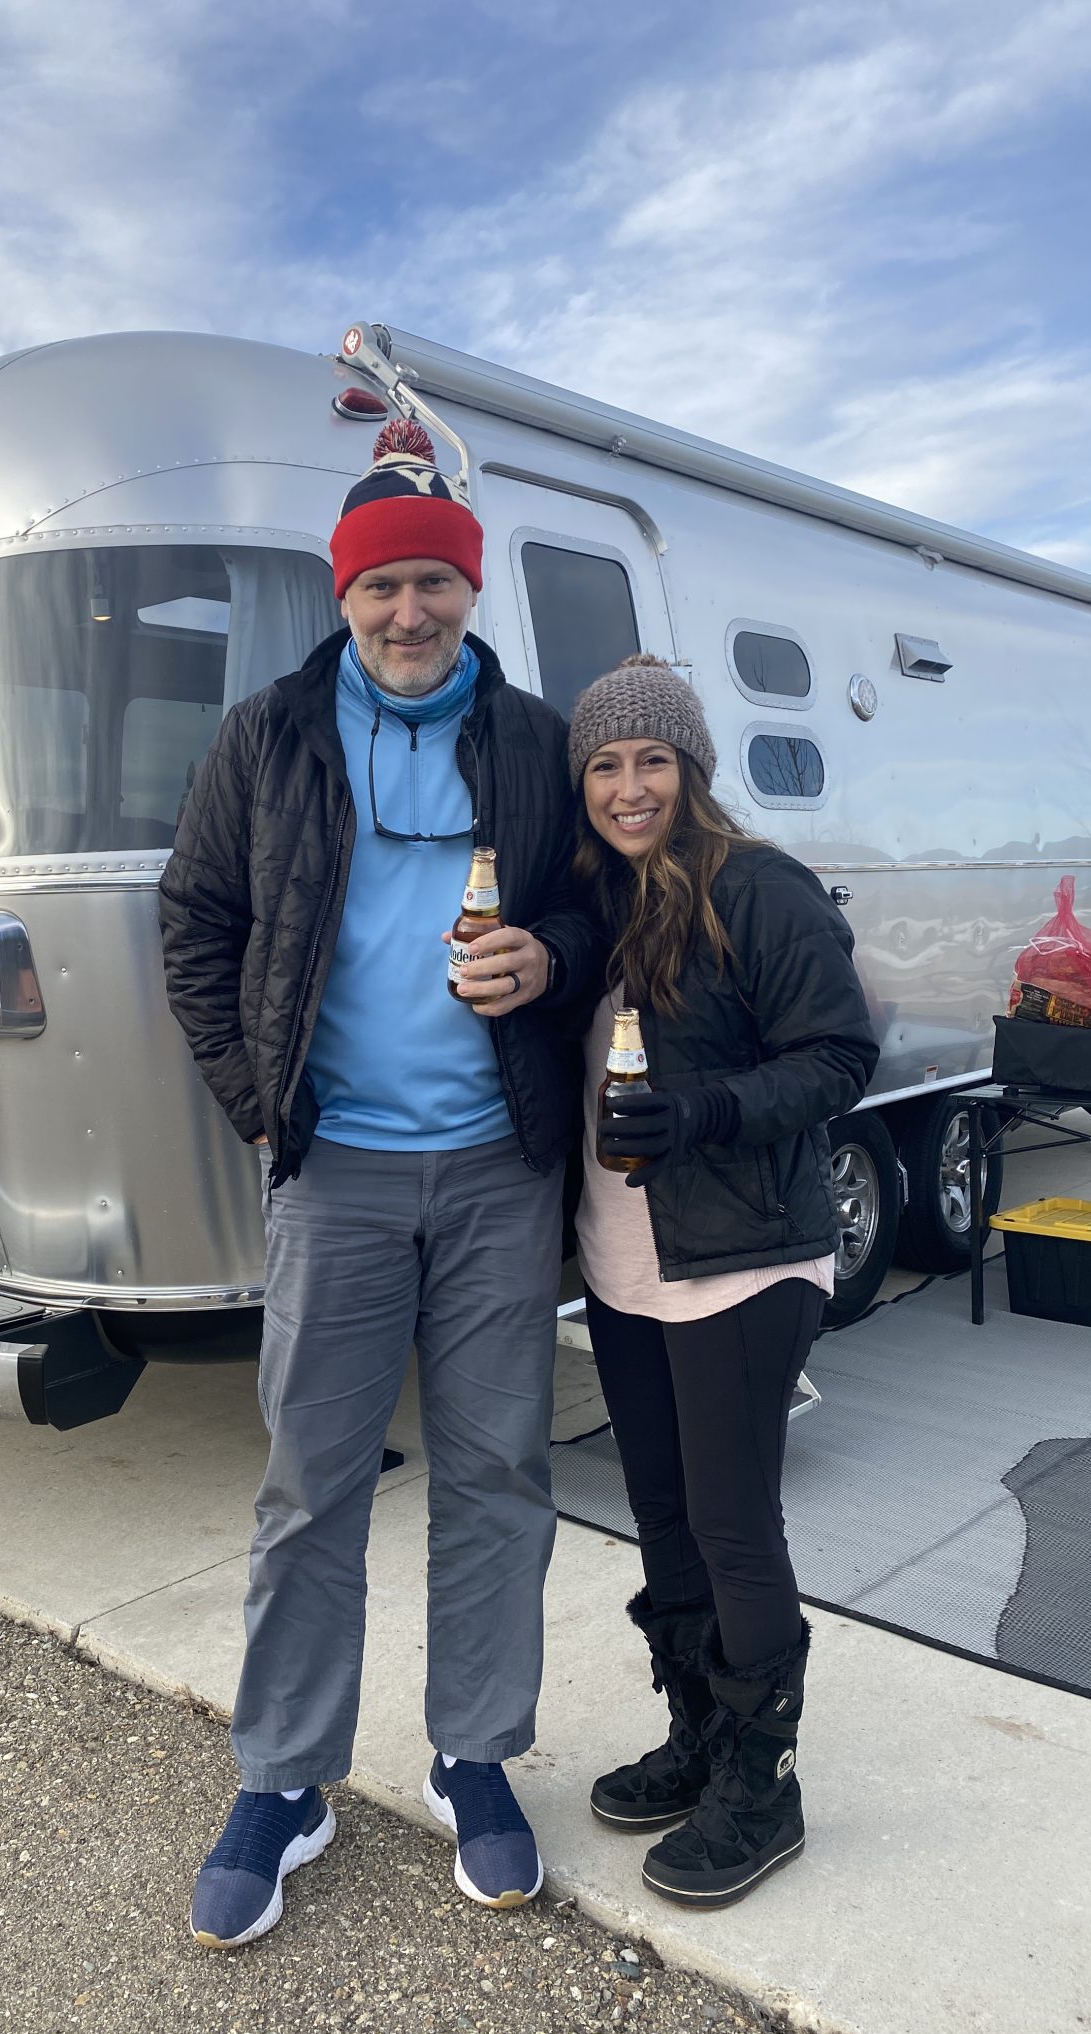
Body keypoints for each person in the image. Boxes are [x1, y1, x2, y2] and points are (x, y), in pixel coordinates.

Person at [158, 419, 597, 1948]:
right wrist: (257, 1104)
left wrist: (551, 960)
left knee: (498, 1475)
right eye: (380, 587)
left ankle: (475, 1753)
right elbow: (195, 924)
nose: (410, 612)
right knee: (310, 1488)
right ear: (341, 595)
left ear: (469, 589)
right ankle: (285, 1781)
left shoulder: (535, 743)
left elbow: (599, 916)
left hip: (495, 1174)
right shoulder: (269, 736)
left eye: (434, 582)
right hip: (335, 1171)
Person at [565, 653, 877, 1908]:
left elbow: (839, 1053)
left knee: (733, 1521)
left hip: (744, 1260)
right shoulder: (603, 899)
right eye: (604, 764)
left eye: (652, 759)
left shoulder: (759, 886)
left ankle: (765, 1783)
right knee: (663, 1512)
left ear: (691, 768)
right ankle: (700, 1732)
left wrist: (699, 1110)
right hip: (625, 1263)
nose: (629, 786)